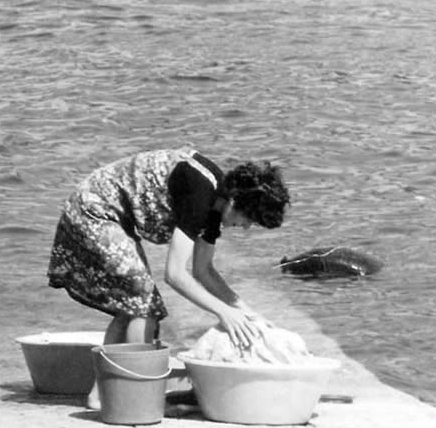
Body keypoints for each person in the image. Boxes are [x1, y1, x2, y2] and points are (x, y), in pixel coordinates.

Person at [47, 148, 290, 408]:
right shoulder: (200, 194)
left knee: (134, 303)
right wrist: (223, 312)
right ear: (234, 202)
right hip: (93, 209)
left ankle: (102, 394)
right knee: (142, 301)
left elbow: (203, 271)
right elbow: (174, 274)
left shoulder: (214, 207)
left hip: (113, 216)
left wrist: (246, 312)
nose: (245, 228)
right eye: (249, 220)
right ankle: (136, 395)